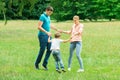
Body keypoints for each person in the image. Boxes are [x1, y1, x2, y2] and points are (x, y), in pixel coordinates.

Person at [35, 6, 60, 70]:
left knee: (50, 49)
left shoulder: (48, 17)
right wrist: (46, 32)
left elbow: (49, 25)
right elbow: (39, 27)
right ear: (46, 10)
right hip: (42, 35)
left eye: (51, 13)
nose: (49, 14)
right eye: (49, 12)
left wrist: (56, 29)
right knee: (42, 50)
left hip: (48, 35)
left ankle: (44, 64)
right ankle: (37, 64)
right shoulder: (42, 16)